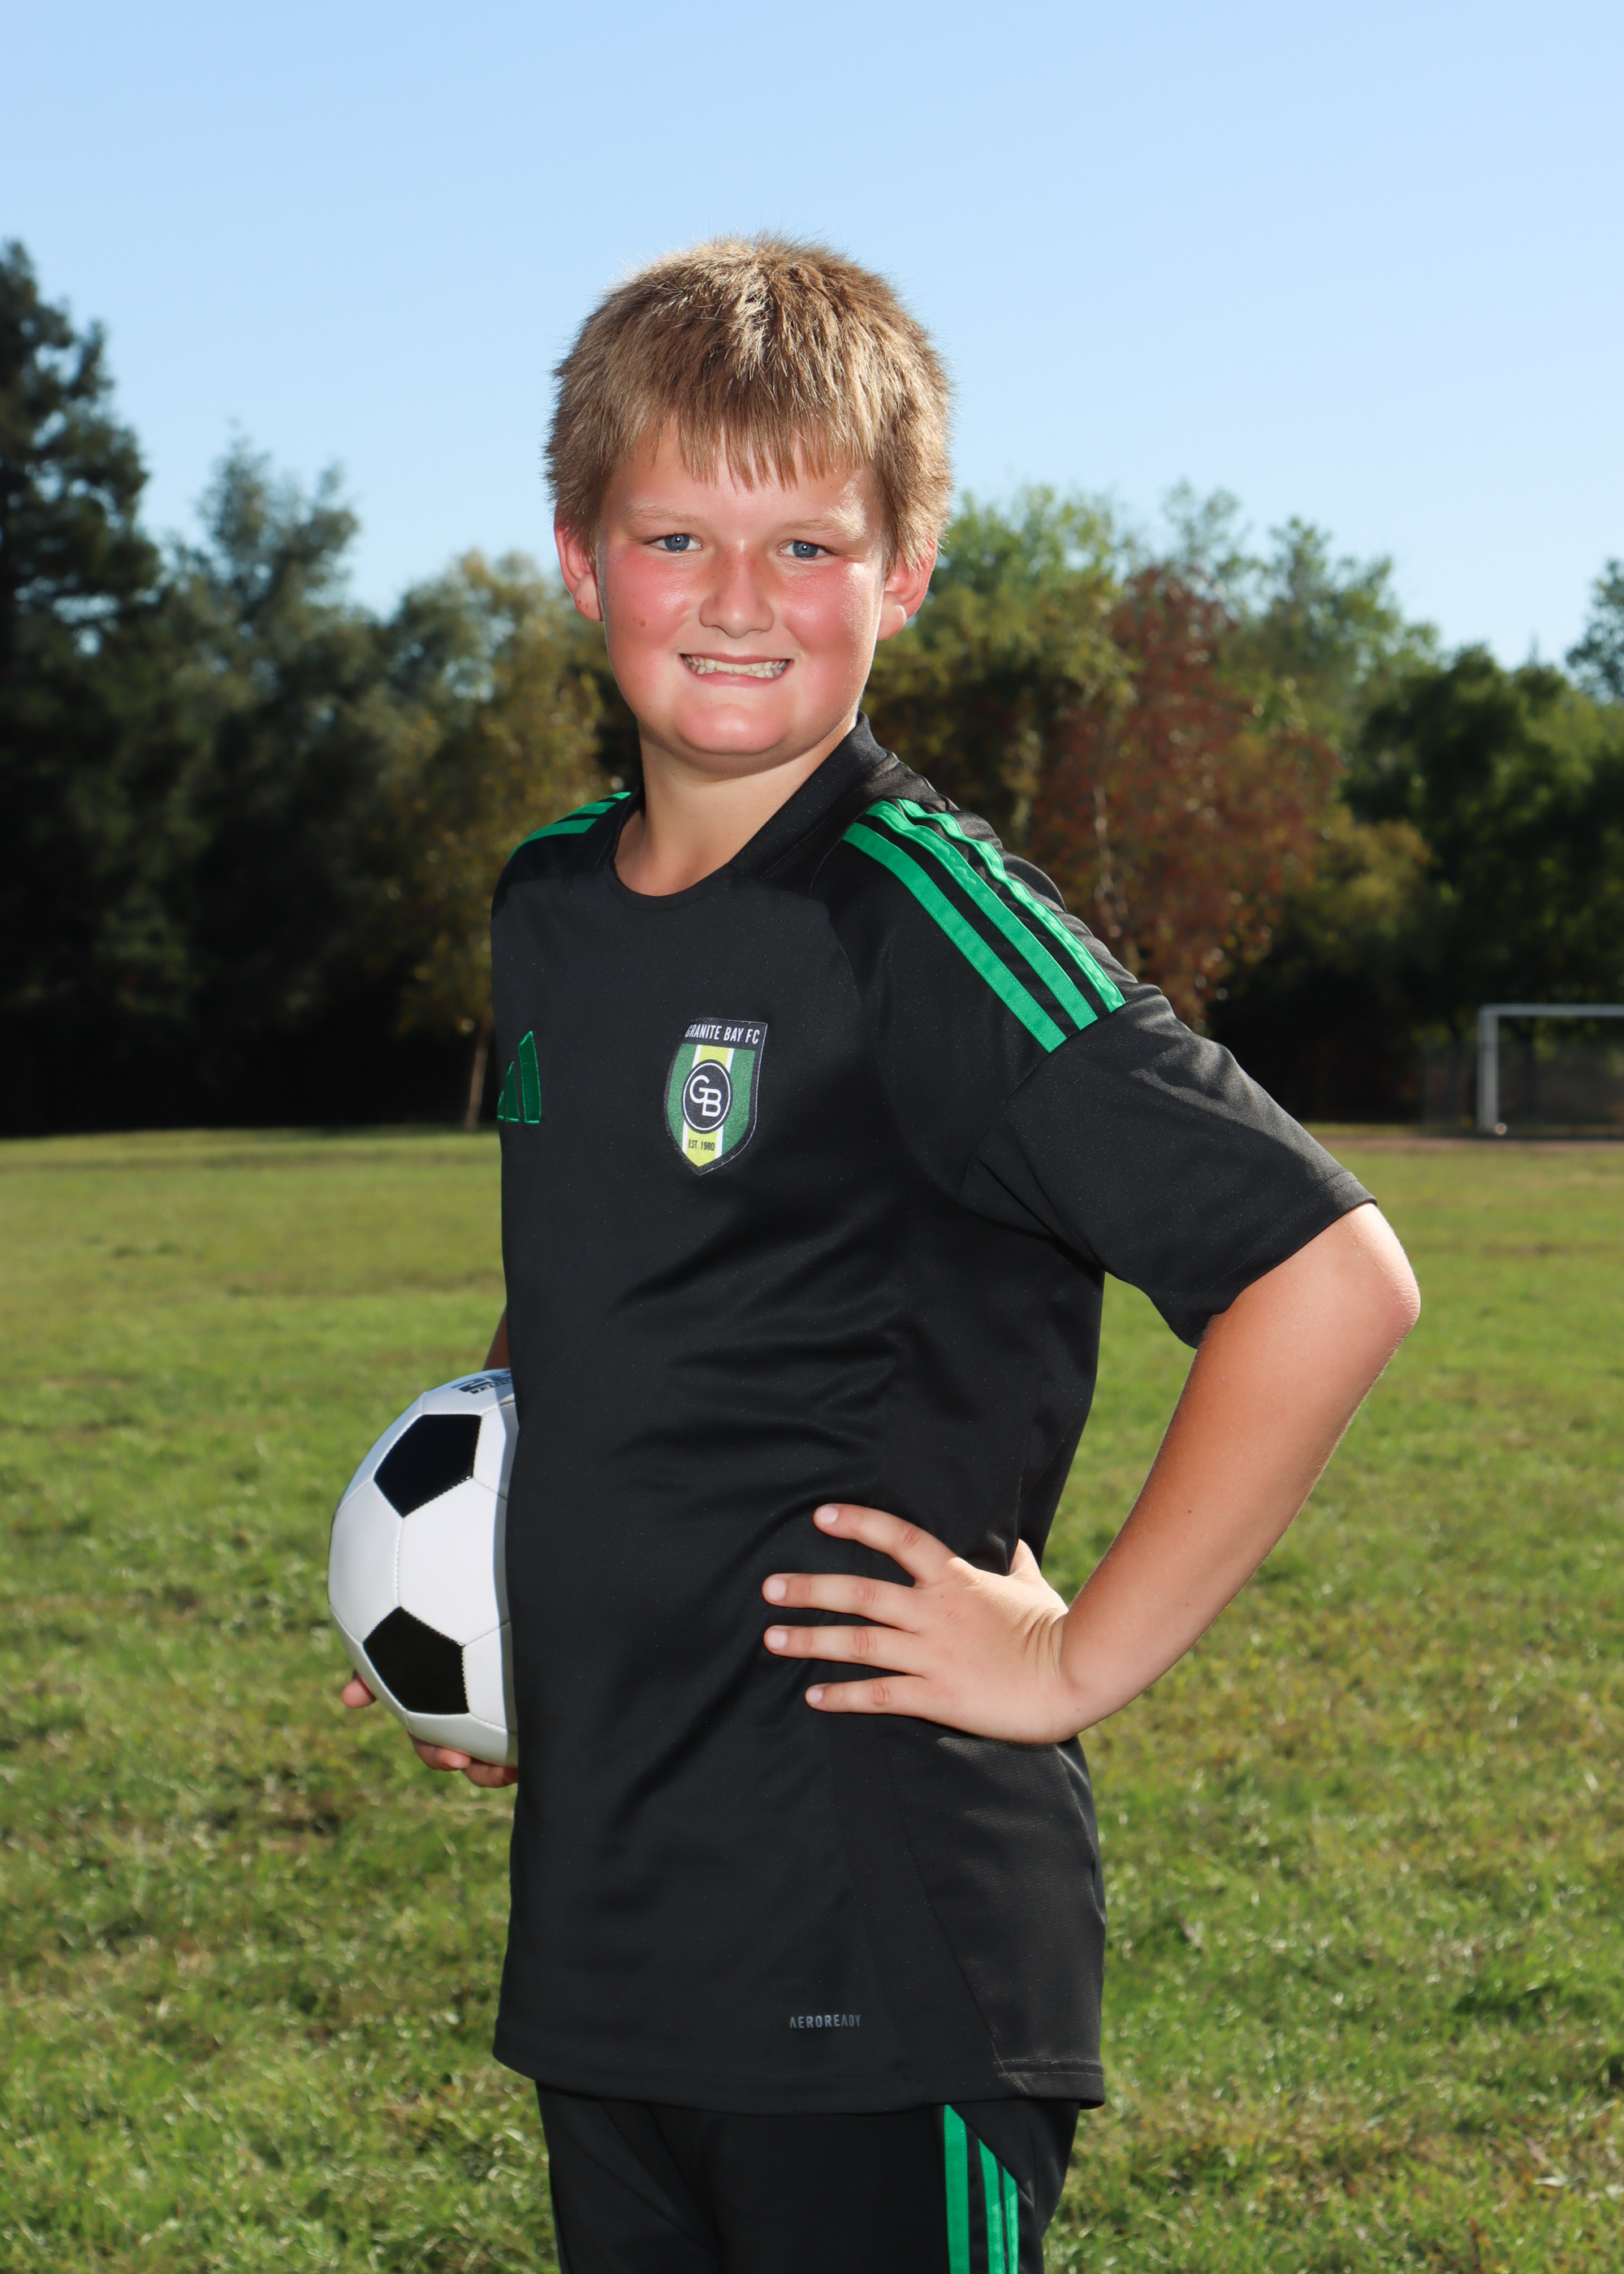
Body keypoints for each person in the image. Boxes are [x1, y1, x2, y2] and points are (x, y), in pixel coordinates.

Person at [343, 236, 1420, 2273]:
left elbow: (1327, 1275)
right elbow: (602, 1288)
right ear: (579, 556)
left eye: (808, 544)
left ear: (904, 571)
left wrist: (1077, 1657)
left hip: (882, 1944)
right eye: (675, 535)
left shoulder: (920, 915)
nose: (737, 600)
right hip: (609, 1935)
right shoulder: (548, 902)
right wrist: (480, 1594)